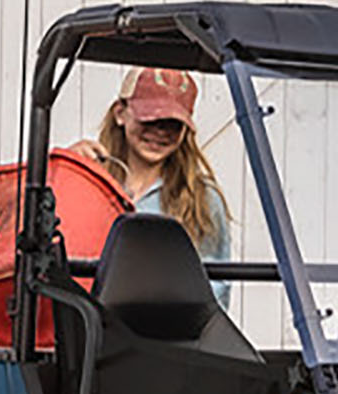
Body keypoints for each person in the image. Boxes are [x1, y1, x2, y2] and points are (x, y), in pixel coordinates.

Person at [72, 66, 231, 275]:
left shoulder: (201, 200)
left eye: (173, 124)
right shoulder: (87, 180)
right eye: (150, 119)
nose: (160, 131)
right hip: (85, 306)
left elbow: (215, 287)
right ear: (120, 113)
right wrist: (65, 171)